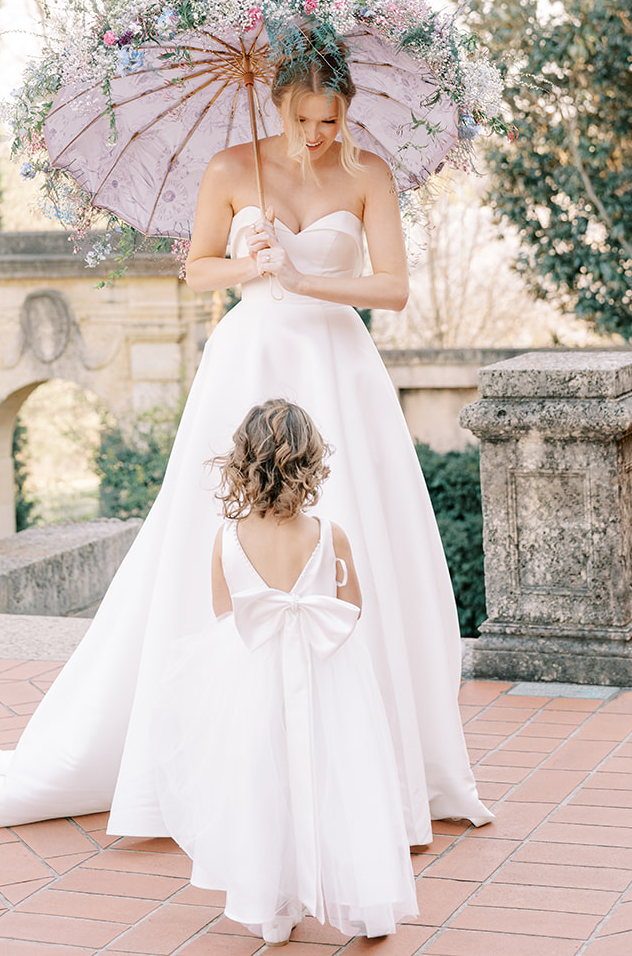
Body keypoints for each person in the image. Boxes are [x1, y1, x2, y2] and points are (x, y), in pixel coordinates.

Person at [0, 36, 492, 839]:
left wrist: (305, 278)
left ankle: (373, 763)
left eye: (330, 118)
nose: (317, 133)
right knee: (216, 534)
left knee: (356, 528)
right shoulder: (229, 169)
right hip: (247, 362)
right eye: (302, 118)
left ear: (345, 111)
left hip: (336, 368)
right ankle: (228, 756)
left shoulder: (367, 176)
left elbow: (389, 287)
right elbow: (195, 269)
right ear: (277, 105)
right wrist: (248, 266)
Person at [153, 398, 418, 945]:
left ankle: (273, 907)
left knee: (260, 780)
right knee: (342, 775)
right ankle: (366, 902)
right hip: (328, 675)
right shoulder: (330, 534)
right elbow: (354, 607)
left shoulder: (225, 541)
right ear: (310, 464)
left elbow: (226, 616)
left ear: (242, 464)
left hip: (250, 678)